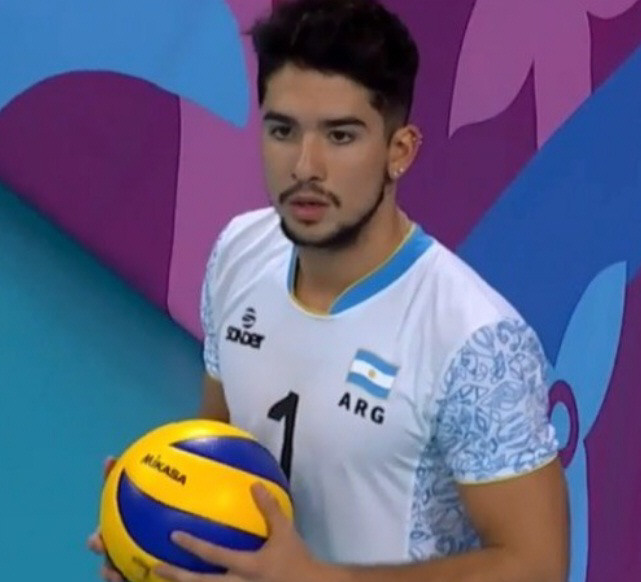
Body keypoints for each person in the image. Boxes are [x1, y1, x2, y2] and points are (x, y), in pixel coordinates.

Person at [89, 0, 569, 580]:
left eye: (340, 136)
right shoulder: (240, 252)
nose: (305, 166)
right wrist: (156, 526)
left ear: (400, 151)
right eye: (283, 131)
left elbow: (536, 565)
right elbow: (223, 444)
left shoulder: (476, 340)